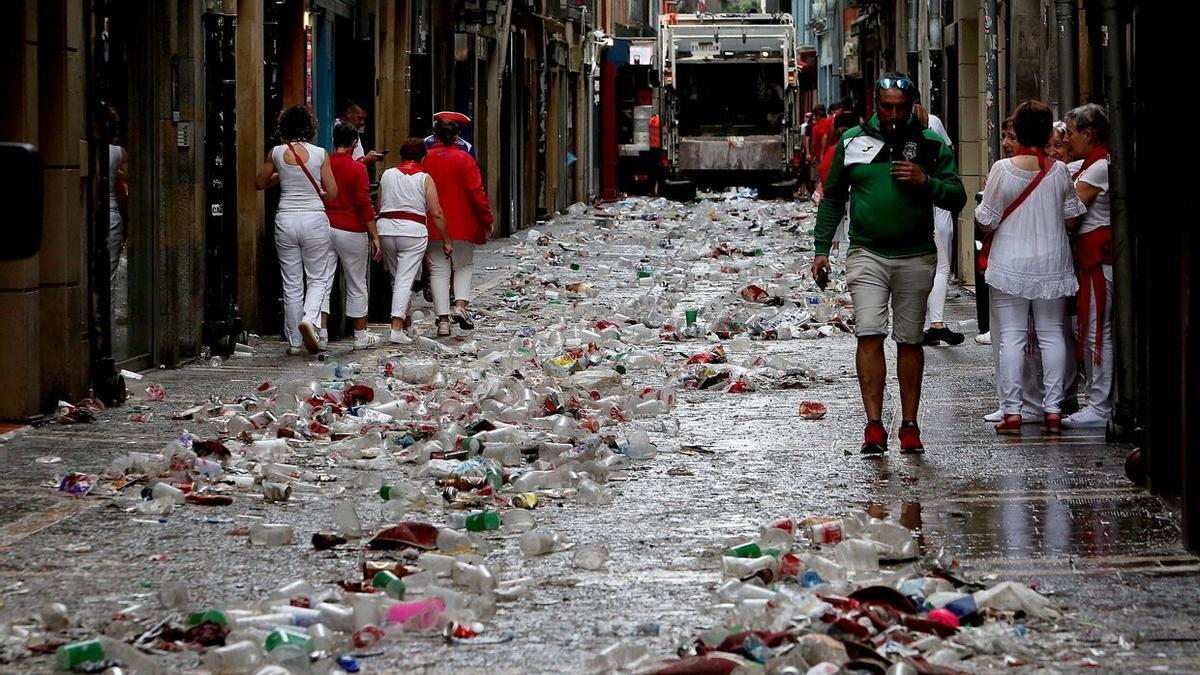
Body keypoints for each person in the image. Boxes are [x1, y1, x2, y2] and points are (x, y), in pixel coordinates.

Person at [811, 73, 966, 454]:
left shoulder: (929, 143)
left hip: (915, 254)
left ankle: (910, 425)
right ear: (875, 106)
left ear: (911, 105)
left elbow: (957, 196)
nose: (893, 114)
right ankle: (874, 425)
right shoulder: (852, 142)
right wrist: (821, 249)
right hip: (867, 253)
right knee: (869, 332)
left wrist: (925, 181)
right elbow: (832, 198)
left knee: (910, 340)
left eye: (900, 106)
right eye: (886, 106)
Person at [975, 100, 1087, 434]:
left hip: (1010, 261)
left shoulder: (1002, 169)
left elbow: (987, 218)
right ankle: (1053, 410)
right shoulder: (1059, 172)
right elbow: (1073, 215)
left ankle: (1013, 411)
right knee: (1053, 334)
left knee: (1011, 336)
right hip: (1052, 260)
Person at [255, 105, 338, 355]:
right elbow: (332, 193)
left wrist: (281, 175)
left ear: (284, 128)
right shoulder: (320, 153)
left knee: (291, 282)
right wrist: (321, 191)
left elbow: (259, 183)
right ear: (310, 128)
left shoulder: (277, 153)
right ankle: (310, 319)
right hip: (313, 218)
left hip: (286, 219)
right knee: (317, 277)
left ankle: (293, 342)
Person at [1061, 103, 1114, 429]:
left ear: (1089, 134)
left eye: (1071, 133)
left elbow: (1072, 212)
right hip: (1093, 257)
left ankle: (1100, 404)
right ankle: (1100, 400)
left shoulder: (1098, 168)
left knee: (1097, 332)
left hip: (1098, 260)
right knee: (1094, 330)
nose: (1067, 140)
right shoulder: (1094, 163)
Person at [423, 112, 494, 335]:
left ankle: (442, 320)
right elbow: (476, 192)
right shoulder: (466, 159)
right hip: (463, 221)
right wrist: (486, 219)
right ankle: (460, 306)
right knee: (463, 265)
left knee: (438, 270)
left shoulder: (426, 158)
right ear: (457, 137)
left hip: (434, 223)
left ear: (435, 135)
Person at [376, 139, 453, 343]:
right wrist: (446, 240)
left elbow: (379, 204)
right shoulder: (424, 178)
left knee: (397, 279)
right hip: (413, 231)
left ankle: (408, 325)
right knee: (404, 279)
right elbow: (436, 213)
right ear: (423, 157)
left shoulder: (387, 175)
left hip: (386, 228)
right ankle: (396, 327)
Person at [323, 121, 383, 350]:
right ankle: (359, 335)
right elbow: (363, 204)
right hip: (351, 230)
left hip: (326, 227)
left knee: (323, 281)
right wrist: (374, 235)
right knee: (357, 283)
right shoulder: (358, 169)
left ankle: (321, 333)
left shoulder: (324, 164)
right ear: (354, 143)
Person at [913, 101, 964, 346]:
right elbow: (949, 157)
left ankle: (923, 324)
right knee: (941, 267)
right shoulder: (934, 125)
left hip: (918, 207)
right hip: (937, 205)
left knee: (921, 266)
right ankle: (935, 323)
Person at [339, 100, 385, 166]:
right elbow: (343, 165)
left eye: (364, 119)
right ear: (348, 113)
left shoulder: (354, 132)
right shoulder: (337, 131)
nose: (362, 123)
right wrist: (364, 160)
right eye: (360, 118)